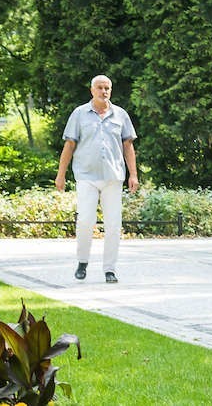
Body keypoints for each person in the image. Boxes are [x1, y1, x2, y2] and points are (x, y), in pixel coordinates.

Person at [55, 75, 139, 283]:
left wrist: (133, 175)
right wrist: (61, 174)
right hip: (86, 175)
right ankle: (83, 261)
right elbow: (69, 145)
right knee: (85, 220)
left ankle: (109, 269)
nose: (104, 91)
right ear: (92, 90)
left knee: (113, 225)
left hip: (113, 176)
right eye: (100, 88)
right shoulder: (79, 114)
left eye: (107, 88)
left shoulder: (120, 115)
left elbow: (128, 146)